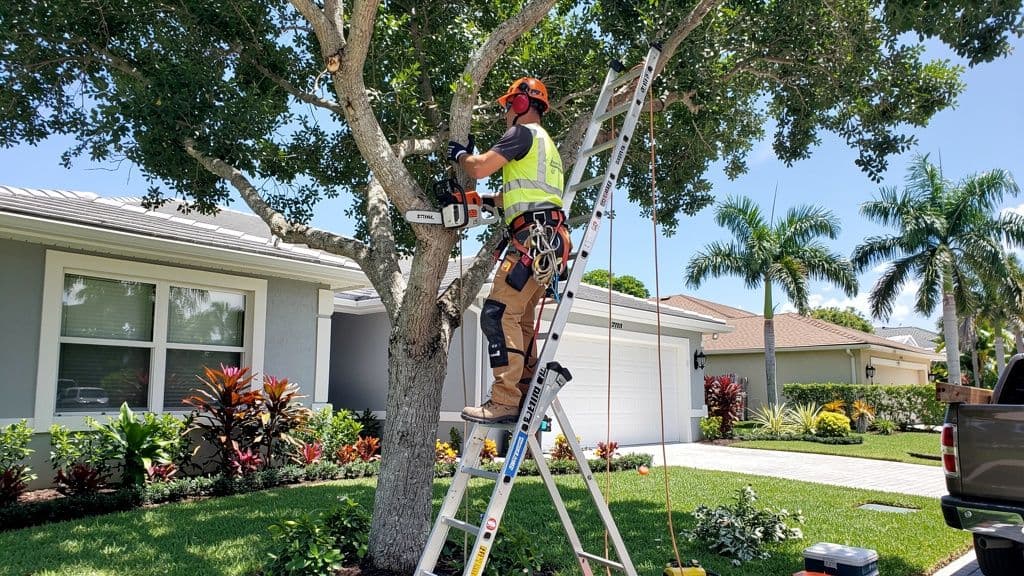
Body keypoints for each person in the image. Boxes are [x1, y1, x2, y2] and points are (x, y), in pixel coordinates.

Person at [448, 77, 571, 424]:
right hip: (546, 237)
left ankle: (504, 400)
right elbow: (518, 194)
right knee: (521, 320)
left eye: (507, 106)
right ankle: (527, 384)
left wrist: (461, 154)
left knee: (498, 313)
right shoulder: (548, 147)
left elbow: (481, 167)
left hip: (532, 240)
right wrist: (482, 201)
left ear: (520, 104)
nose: (505, 114)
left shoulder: (522, 134)